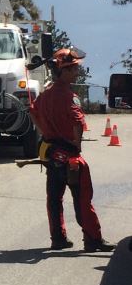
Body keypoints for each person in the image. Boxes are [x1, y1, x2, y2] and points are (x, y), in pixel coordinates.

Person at [29, 47, 115, 252]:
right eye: (74, 69)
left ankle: (58, 238)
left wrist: (45, 133)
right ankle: (92, 239)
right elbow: (77, 122)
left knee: (54, 198)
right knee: (83, 197)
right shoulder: (68, 96)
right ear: (64, 71)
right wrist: (77, 144)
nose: (77, 73)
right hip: (70, 156)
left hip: (51, 153)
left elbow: (32, 112)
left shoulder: (45, 94)